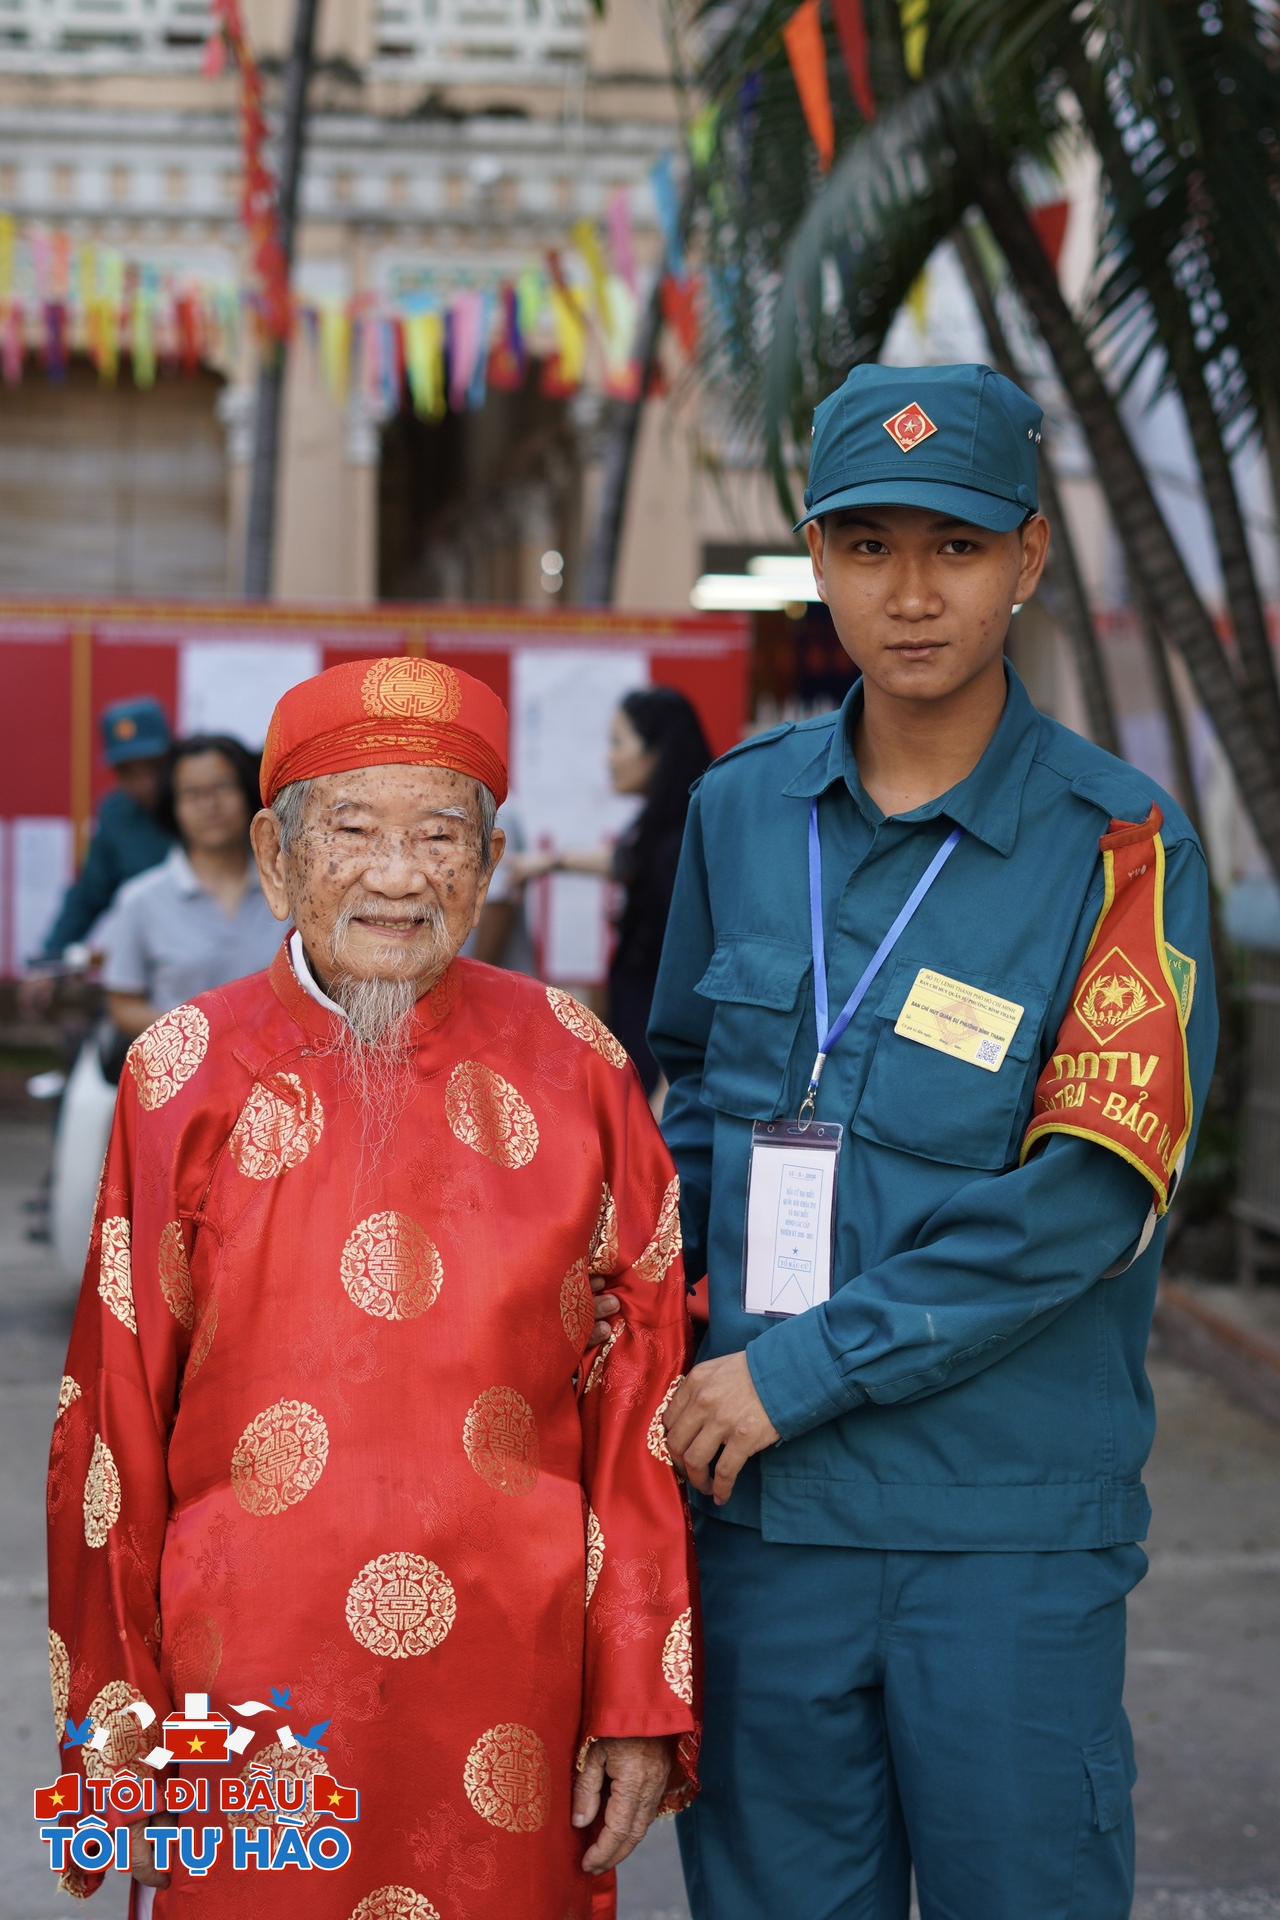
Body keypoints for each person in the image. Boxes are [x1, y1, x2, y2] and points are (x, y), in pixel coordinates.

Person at [650, 363, 1216, 1920]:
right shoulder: (741, 812)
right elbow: (689, 1098)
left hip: (1004, 1542)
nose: (910, 594)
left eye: (957, 548)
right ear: (816, 557)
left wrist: (795, 1372)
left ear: (1029, 560)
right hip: (765, 1529)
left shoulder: (1120, 844)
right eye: (869, 544)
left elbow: (1088, 1197)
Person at [47, 655, 698, 1920]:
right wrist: (116, 1737)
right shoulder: (181, 1073)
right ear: (276, 853)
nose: (399, 877)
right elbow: (109, 1425)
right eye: (353, 831)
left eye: (440, 836)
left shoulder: (578, 1068)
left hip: (511, 1672)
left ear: (492, 859)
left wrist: (634, 1695)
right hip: (243, 1671)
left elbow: (645, 1392)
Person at [510, 688, 711, 1095]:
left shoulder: (677, 846)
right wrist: (547, 864)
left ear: (656, 752)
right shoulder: (665, 829)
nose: (608, 757)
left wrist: (666, 1085)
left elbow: (686, 970)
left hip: (659, 1044)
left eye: (618, 742)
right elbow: (624, 860)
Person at [102, 734, 281, 1043]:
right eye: (191, 793)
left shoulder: (288, 886)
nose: (209, 805)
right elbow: (123, 1005)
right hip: (185, 1077)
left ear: (247, 792)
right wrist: (201, 1031)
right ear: (173, 806)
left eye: (222, 787)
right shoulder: (140, 900)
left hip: (283, 1068)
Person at [41, 697, 174, 960]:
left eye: (153, 766)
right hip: (153, 955)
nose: (145, 782)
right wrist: (51, 958)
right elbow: (88, 896)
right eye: (129, 772)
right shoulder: (116, 816)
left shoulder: (201, 804)